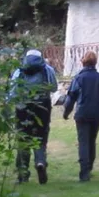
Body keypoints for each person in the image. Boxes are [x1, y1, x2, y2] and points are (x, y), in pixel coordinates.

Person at [62, 51, 99, 182]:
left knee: (83, 142)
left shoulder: (78, 78)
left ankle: (84, 172)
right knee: (92, 140)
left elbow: (71, 97)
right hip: (97, 114)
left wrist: (66, 112)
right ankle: (90, 166)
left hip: (82, 113)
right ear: (95, 62)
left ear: (83, 62)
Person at [8, 48, 58, 184]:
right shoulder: (47, 69)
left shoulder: (20, 71)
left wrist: (10, 102)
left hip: (22, 107)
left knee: (23, 139)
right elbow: (53, 87)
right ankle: (40, 162)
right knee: (41, 136)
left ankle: (23, 174)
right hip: (43, 106)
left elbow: (12, 91)